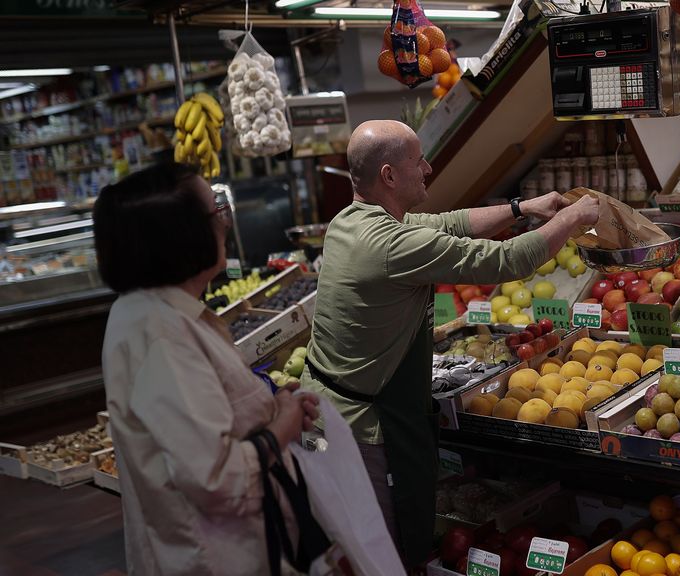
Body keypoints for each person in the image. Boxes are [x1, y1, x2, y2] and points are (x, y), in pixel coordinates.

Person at [301, 119, 600, 566]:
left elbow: (449, 223)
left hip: (327, 410)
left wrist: (522, 208)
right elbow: (507, 260)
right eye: (417, 159)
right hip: (359, 427)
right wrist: (572, 218)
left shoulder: (352, 220)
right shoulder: (391, 246)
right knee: (382, 556)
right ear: (388, 176)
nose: (428, 166)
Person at [94, 163, 320, 575]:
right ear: (180, 235)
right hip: (216, 558)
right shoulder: (160, 334)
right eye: (216, 211)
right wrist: (283, 425)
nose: (226, 223)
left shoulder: (166, 314)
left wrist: (271, 406)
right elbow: (216, 478)